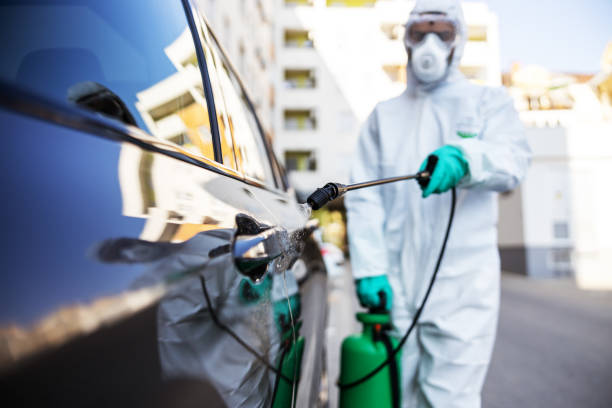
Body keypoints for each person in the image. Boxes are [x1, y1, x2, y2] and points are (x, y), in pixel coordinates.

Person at [345, 0, 531, 406]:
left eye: (441, 32)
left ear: (457, 40)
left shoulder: (488, 102)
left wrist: (468, 159)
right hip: (394, 286)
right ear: (407, 40)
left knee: (450, 400)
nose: (430, 43)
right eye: (420, 31)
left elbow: (515, 161)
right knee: (398, 396)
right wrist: (370, 268)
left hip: (462, 290)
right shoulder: (383, 116)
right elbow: (364, 199)